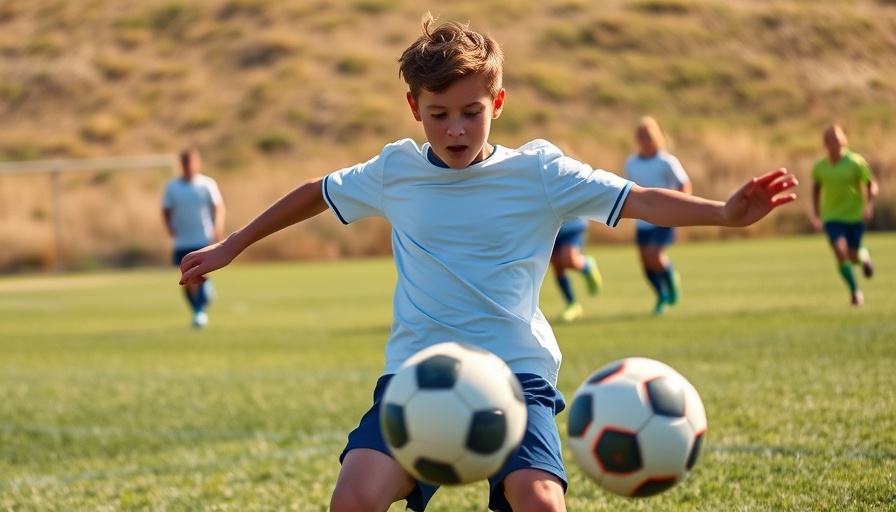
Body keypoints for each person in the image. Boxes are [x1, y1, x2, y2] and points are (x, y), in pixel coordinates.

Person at [178, 14, 797, 512]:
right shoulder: (395, 168)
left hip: (517, 377)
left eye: (470, 112)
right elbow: (317, 191)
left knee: (538, 502)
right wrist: (231, 245)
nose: (455, 129)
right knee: (354, 499)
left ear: (497, 102)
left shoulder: (540, 172)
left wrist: (722, 212)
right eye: (439, 113)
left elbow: (635, 200)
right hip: (418, 380)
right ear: (413, 107)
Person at [623, 116, 692, 315]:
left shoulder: (666, 161)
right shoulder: (631, 163)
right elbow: (626, 188)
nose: (645, 140)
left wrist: (681, 208)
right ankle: (661, 295)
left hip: (664, 216)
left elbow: (683, 183)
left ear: (657, 137)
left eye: (649, 136)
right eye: (641, 136)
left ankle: (671, 279)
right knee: (645, 261)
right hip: (642, 219)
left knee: (654, 254)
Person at [810, 124, 878, 306]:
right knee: (840, 251)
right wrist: (815, 214)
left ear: (844, 141)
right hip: (832, 217)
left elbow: (872, 185)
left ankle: (864, 257)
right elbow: (815, 190)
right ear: (825, 144)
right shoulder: (820, 168)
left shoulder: (855, 162)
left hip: (855, 216)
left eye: (839, 140)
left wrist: (869, 206)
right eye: (832, 140)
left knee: (853, 255)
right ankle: (856, 292)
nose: (836, 144)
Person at [162, 148, 225, 328]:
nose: (189, 166)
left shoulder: (207, 184)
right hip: (182, 240)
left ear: (197, 163)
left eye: (192, 162)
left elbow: (218, 207)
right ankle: (200, 307)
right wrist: (169, 227)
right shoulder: (172, 187)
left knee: (199, 275)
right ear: (181, 165)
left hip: (202, 237)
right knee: (187, 280)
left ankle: (199, 312)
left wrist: (217, 226)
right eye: (185, 163)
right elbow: (165, 209)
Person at [550, 218, 602, 322]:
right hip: (551, 225)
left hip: (572, 223)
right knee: (557, 265)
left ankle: (587, 265)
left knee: (570, 260)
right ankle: (572, 304)